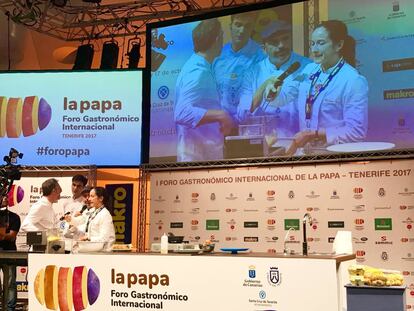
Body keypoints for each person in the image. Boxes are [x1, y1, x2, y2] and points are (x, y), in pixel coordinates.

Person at [279, 20, 368, 155]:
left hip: (335, 159)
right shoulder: (308, 70)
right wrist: (273, 92)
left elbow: (356, 132)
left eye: (321, 43)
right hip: (305, 156)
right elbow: (287, 95)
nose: (314, 49)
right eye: (312, 44)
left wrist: (314, 134)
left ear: (338, 45)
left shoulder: (353, 80)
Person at [237, 20, 311, 138]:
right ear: (264, 48)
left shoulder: (307, 66)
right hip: (262, 145)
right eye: (274, 42)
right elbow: (242, 114)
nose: (281, 45)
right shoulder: (253, 72)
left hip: (296, 143)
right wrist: (264, 85)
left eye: (285, 39)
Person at [174, 18, 235, 162]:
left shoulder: (199, 66)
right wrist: (221, 115)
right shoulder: (197, 71)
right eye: (222, 35)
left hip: (204, 158)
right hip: (197, 162)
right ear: (217, 38)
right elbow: (181, 113)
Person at [213, 12, 265, 131]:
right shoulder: (219, 53)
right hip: (219, 126)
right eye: (238, 25)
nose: (242, 30)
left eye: (247, 26)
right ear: (230, 26)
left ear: (252, 28)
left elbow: (257, 96)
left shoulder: (260, 57)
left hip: (248, 126)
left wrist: (234, 122)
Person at [0, 196, 21, 311]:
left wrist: (3, 235)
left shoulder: (14, 217)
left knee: (10, 283)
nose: (4, 199)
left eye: (6, 197)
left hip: (10, 253)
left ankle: (10, 308)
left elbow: (12, 236)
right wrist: (4, 235)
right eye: (2, 196)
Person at [78, 187, 115, 252]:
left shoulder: (105, 214)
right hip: (93, 250)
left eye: (92, 196)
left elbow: (104, 238)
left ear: (101, 198)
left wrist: (88, 238)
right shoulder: (93, 211)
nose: (89, 199)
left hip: (103, 253)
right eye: (89, 196)